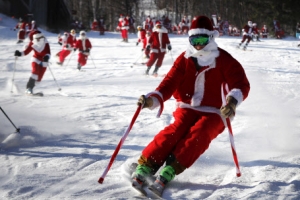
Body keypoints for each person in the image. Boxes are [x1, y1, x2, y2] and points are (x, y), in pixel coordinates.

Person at [131, 15, 250, 197]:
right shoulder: (184, 59)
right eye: (194, 40)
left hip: (215, 111)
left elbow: (241, 84)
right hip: (187, 106)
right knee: (175, 130)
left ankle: (170, 169)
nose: (198, 45)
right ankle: (147, 164)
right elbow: (169, 83)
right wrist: (152, 99)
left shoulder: (223, 59)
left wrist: (232, 102)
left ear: (210, 38)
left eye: (202, 40)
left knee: (201, 133)